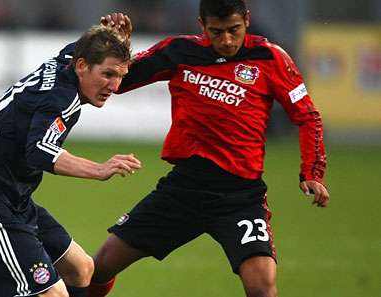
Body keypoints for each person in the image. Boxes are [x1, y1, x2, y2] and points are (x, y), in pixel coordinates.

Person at [89, 2, 330, 297]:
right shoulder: (179, 51)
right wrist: (116, 46)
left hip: (240, 197)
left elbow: (307, 115)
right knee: (98, 267)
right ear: (201, 24)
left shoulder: (270, 57)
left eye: (234, 30)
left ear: (247, 21)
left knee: (262, 288)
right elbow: (119, 81)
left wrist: (312, 172)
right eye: (216, 32)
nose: (226, 40)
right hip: (182, 191)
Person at [0, 24, 141, 297]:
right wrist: (99, 169)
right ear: (82, 66)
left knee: (80, 269)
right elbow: (39, 150)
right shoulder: (59, 98)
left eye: (120, 75)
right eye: (107, 74)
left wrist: (113, 39)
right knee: (52, 294)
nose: (114, 86)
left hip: (13, 199)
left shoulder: (66, 62)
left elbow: (82, 46)